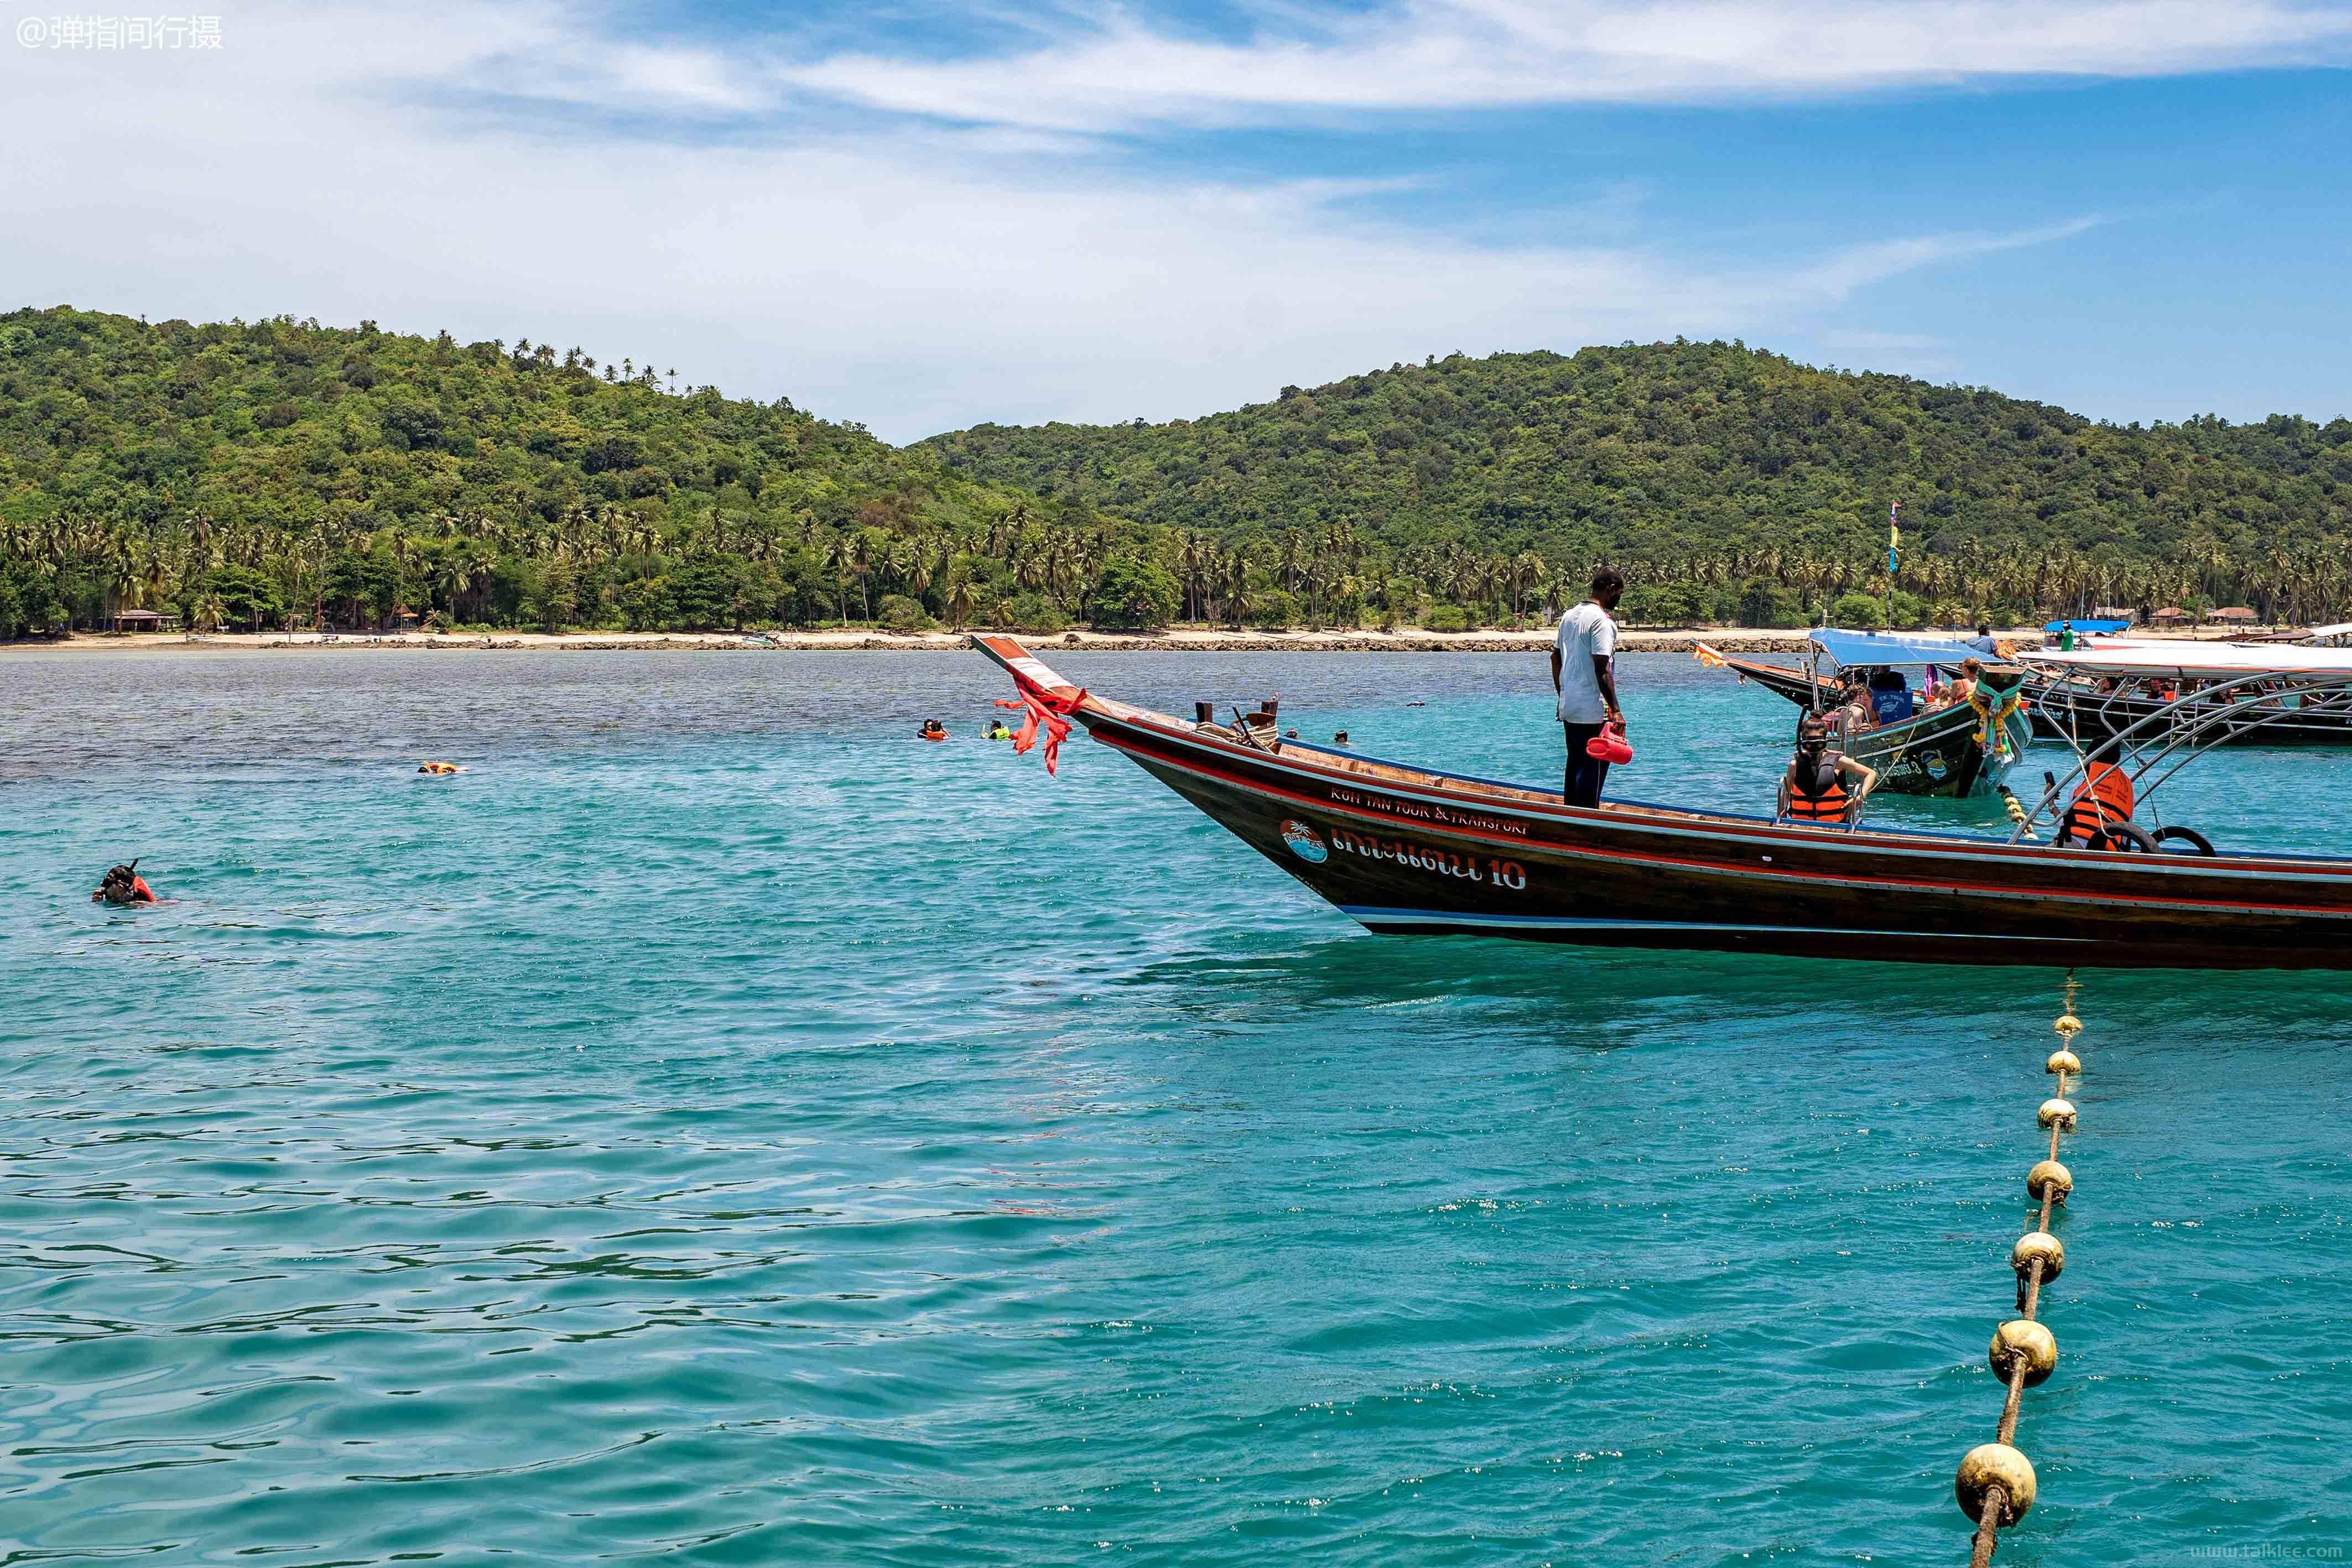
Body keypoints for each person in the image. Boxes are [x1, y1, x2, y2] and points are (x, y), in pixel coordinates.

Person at [1552, 566, 1626, 808]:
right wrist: (1615, 709)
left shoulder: (1569, 615)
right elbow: (1602, 668)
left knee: (1575, 764)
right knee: (1593, 769)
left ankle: (1570, 818)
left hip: (1570, 704)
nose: (1618, 599)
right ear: (1611, 589)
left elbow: (1555, 659)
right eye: (1619, 594)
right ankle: (1586, 824)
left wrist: (1563, 695)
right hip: (1593, 708)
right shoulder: (1601, 622)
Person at [1779, 716, 1877, 825]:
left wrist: (1860, 797)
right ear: (1803, 741)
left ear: (1825, 740)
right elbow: (1787, 794)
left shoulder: (1839, 762)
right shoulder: (1795, 765)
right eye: (1810, 743)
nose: (1814, 747)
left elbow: (1871, 773)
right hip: (1800, 825)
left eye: (1818, 743)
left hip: (1835, 826)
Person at [91, 861, 157, 905]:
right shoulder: (118, 899)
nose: (103, 885)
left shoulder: (137, 905)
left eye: (108, 883)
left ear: (120, 888)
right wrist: (97, 902)